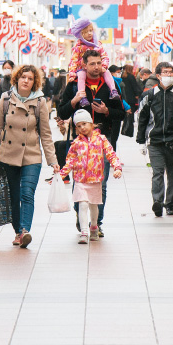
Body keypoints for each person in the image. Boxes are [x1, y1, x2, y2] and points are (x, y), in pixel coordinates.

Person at [0, 64, 59, 248]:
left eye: (30, 78)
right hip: (7, 155)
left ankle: (25, 230)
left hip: (31, 156)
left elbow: (45, 133)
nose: (26, 81)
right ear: (17, 79)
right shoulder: (5, 99)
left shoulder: (40, 102)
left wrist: (53, 160)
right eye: (23, 77)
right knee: (13, 196)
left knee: (27, 194)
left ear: (35, 82)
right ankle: (18, 232)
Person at [58, 49, 125, 236]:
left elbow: (122, 113)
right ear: (84, 65)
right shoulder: (74, 85)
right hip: (79, 141)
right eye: (92, 64)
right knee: (78, 181)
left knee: (100, 183)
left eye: (99, 63)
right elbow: (61, 112)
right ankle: (82, 221)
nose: (97, 67)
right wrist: (74, 101)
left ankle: (97, 222)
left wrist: (106, 112)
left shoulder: (111, 85)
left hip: (102, 139)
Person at [136, 62, 173, 217]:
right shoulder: (149, 95)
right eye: (165, 72)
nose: (169, 75)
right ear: (158, 76)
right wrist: (141, 141)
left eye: (171, 72)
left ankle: (169, 204)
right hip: (155, 141)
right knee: (157, 172)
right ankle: (157, 201)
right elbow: (142, 119)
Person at [59, 109, 122, 243]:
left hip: (95, 180)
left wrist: (117, 167)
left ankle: (94, 226)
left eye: (84, 124)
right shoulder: (76, 143)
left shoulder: (101, 139)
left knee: (94, 206)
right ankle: (84, 232)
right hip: (80, 180)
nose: (82, 128)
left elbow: (111, 154)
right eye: (79, 126)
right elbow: (69, 161)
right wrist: (60, 176)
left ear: (91, 123)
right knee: (82, 205)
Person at [68, 17, 120, 108]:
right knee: (81, 76)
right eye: (86, 32)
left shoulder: (97, 45)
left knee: (107, 72)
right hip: (82, 69)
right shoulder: (78, 47)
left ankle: (113, 90)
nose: (89, 33)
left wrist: (103, 65)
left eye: (91, 31)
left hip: (98, 69)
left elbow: (104, 56)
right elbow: (73, 60)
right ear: (81, 33)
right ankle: (82, 96)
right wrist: (72, 73)